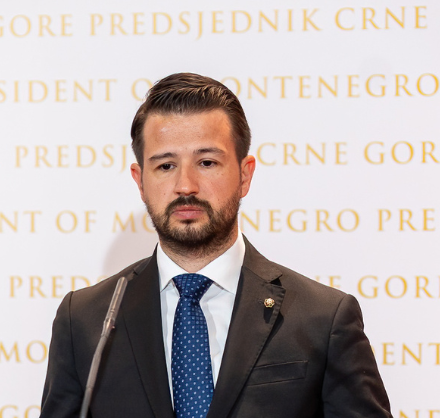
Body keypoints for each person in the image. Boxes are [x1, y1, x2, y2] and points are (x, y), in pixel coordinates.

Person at [39, 73, 392, 418]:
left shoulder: (322, 318)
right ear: (140, 181)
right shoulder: (85, 320)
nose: (185, 185)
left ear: (245, 174)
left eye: (207, 163)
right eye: (165, 165)